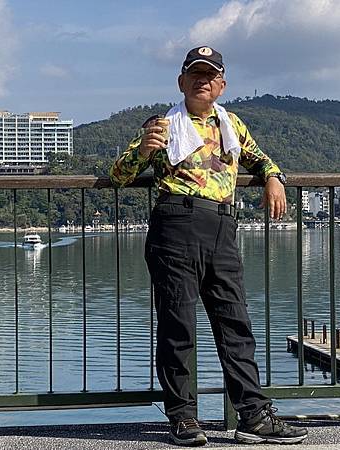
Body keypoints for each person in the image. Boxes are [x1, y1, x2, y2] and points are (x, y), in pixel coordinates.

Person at [110, 46, 307, 446]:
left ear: (221, 84)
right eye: (194, 75)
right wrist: (144, 150)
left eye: (210, 75)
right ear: (181, 82)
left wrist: (274, 178)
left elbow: (261, 159)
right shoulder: (163, 125)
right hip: (175, 225)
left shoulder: (232, 124)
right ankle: (183, 418)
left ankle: (253, 415)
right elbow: (118, 175)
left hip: (222, 226)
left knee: (235, 325)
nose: (202, 81)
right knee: (177, 326)